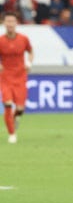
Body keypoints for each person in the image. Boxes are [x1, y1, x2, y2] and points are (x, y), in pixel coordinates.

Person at [0, 12, 34, 144]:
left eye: (12, 21)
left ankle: (15, 118)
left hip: (20, 76)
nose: (10, 24)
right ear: (4, 23)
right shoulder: (1, 40)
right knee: (8, 104)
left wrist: (29, 63)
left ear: (16, 23)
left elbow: (30, 51)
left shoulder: (23, 39)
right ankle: (12, 134)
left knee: (20, 109)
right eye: (8, 21)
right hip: (5, 77)